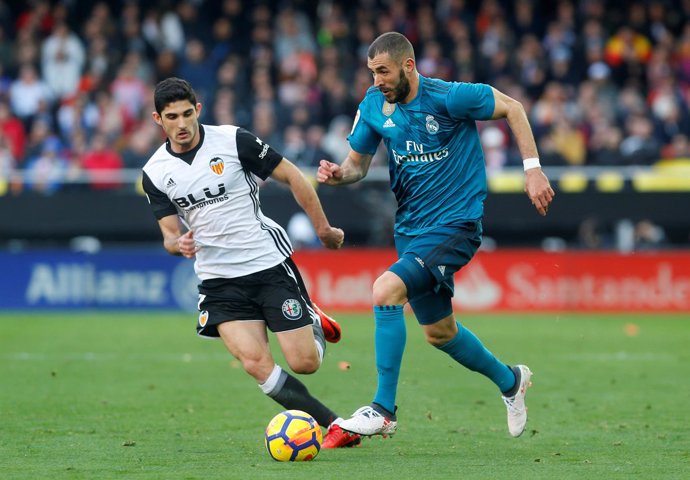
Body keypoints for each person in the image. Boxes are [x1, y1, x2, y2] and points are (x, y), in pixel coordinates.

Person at [317, 32, 555, 438]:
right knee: (440, 333)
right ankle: (511, 381)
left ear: (408, 66)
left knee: (385, 289)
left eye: (383, 72)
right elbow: (356, 165)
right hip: (411, 229)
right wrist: (340, 175)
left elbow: (513, 108)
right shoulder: (374, 105)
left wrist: (532, 168)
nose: (377, 81)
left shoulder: (451, 97)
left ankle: (383, 409)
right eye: (372, 72)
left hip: (456, 225)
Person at [142, 77, 360, 448]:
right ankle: (335, 424)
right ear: (157, 119)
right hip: (218, 281)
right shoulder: (155, 172)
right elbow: (167, 235)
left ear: (198, 110)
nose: (180, 124)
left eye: (185, 114)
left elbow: (292, 175)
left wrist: (322, 230)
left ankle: (313, 320)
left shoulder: (232, 140)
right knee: (257, 365)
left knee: (305, 362)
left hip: (266, 263)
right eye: (170, 117)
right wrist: (177, 243)